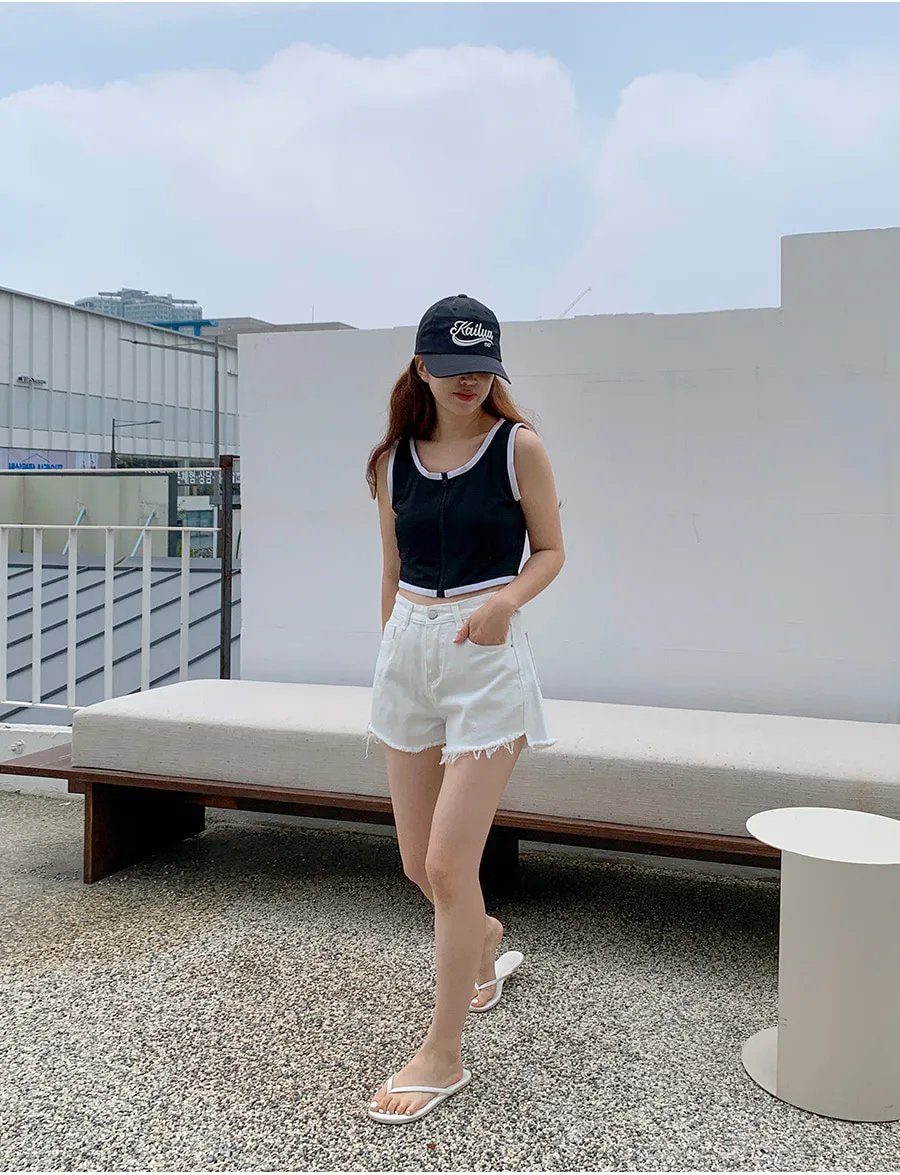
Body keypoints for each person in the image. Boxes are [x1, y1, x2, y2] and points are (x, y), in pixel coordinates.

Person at [363, 294, 565, 1125]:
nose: (468, 381)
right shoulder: (393, 462)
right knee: (420, 865)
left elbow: (551, 550)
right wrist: (390, 653)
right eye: (451, 367)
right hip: (409, 652)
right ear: (422, 367)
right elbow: (391, 568)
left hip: (486, 662)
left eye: (481, 367)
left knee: (450, 866)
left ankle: (442, 1055)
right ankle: (481, 938)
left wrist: (506, 601)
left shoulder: (519, 448)